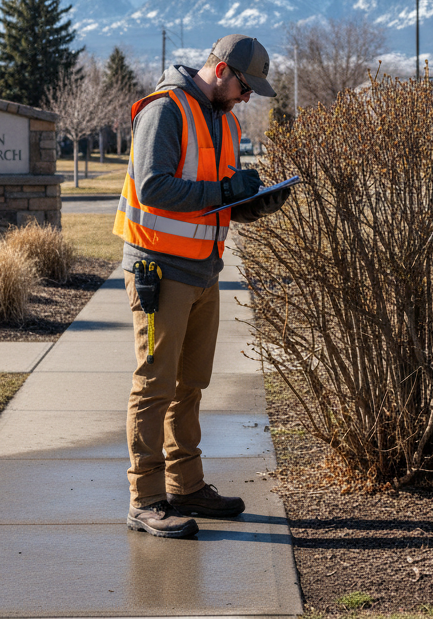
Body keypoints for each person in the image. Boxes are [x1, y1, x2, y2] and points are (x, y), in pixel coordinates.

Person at [113, 33, 291, 538]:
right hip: (159, 269)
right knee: (155, 384)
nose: (247, 97)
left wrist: (253, 204)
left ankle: (186, 487)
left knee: (190, 384)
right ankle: (145, 499)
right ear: (221, 70)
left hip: (202, 269)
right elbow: (154, 187)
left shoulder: (225, 121)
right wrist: (226, 189)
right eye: (245, 86)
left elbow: (215, 202)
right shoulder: (165, 110)